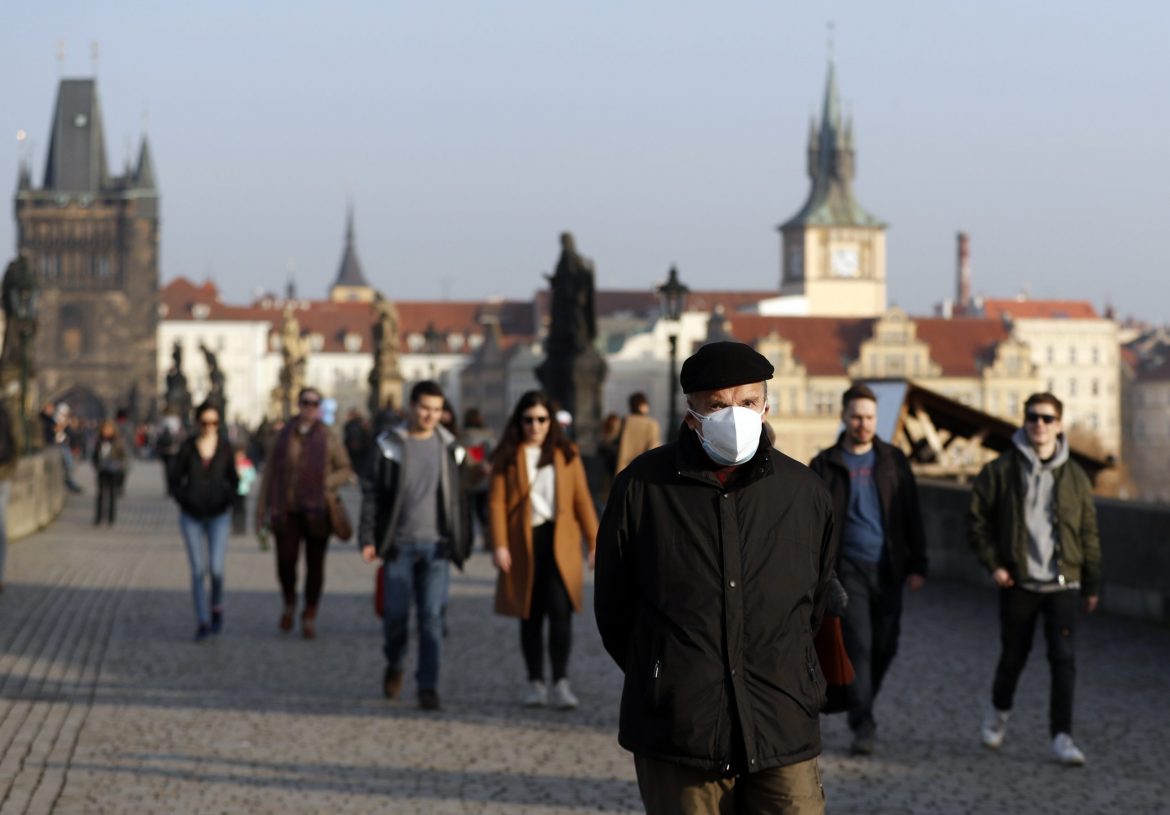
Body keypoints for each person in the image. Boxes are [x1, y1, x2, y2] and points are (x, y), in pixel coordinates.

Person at [595, 341, 836, 814]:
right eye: (718, 406)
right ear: (692, 415)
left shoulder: (803, 492)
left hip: (780, 717)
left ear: (766, 406)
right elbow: (614, 608)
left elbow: (817, 600)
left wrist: (796, 675)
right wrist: (663, 673)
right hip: (682, 725)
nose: (735, 416)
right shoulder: (642, 488)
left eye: (747, 403)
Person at [968, 392, 1101, 766]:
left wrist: (1091, 583)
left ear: (1058, 425)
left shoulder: (1075, 477)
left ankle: (1062, 736)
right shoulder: (1002, 470)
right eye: (1032, 417)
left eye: (1046, 418)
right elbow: (976, 520)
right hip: (1019, 583)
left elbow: (1089, 532)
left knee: (1064, 661)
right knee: (1013, 657)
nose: (1039, 424)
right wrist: (994, 564)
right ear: (1024, 422)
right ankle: (998, 713)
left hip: (1063, 584)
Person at [808, 383, 927, 756]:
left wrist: (918, 563)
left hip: (889, 565)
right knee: (859, 644)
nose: (863, 424)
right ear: (844, 417)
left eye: (870, 418)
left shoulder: (893, 460)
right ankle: (863, 723)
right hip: (847, 568)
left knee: (886, 645)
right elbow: (812, 522)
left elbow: (911, 513)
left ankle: (862, 703)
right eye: (857, 417)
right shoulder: (824, 464)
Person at [359, 381, 472, 710]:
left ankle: (427, 685)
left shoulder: (451, 447)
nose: (430, 415)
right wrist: (369, 537)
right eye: (424, 408)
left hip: (437, 546)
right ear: (411, 406)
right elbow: (372, 494)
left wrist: (461, 540)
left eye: (436, 410)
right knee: (395, 617)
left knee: (431, 618)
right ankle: (394, 663)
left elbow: (459, 501)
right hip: (399, 544)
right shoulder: (390, 445)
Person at [489, 391, 599, 710]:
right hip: (524, 542)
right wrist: (499, 544)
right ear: (519, 422)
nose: (535, 426)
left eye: (541, 419)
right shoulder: (508, 456)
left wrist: (594, 542)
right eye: (528, 420)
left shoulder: (567, 454)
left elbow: (581, 500)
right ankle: (535, 681)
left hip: (560, 541)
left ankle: (561, 682)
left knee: (561, 613)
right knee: (530, 613)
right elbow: (496, 502)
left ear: (550, 422)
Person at [256, 387, 352, 639]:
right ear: (298, 405)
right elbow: (269, 474)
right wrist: (261, 509)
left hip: (318, 510)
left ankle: (309, 613)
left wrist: (325, 483)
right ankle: (289, 602)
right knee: (286, 561)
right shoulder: (283, 435)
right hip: (286, 508)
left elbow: (345, 469)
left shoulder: (328, 437)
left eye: (314, 403)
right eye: (305, 402)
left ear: (319, 407)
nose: (309, 407)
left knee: (315, 565)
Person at [168, 402, 239, 641]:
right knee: (198, 570)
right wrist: (185, 500)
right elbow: (174, 480)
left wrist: (228, 500)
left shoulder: (225, 448)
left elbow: (235, 480)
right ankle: (202, 620)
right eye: (205, 422)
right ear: (198, 423)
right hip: (191, 517)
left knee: (216, 569)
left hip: (218, 515)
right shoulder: (188, 448)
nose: (210, 427)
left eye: (214, 423)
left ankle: (216, 605)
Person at [614, 391, 662, 474]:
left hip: (622, 469)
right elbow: (654, 448)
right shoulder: (651, 424)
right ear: (642, 406)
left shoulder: (624, 421)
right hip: (642, 470)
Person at [0, 399, 20, 593]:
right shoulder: (7, 408)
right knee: (0, 526)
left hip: (3, 473)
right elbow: (18, 440)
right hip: (3, 472)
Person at [92, 420, 127, 525]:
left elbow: (123, 456)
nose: (106, 431)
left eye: (109, 429)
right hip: (102, 470)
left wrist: (119, 465)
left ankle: (111, 518)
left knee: (112, 495)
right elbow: (94, 455)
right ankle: (98, 518)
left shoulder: (118, 441)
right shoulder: (99, 441)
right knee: (101, 494)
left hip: (113, 470)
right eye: (105, 429)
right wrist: (97, 465)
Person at [232, 444, 257, 535]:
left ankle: (242, 527)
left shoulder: (247, 463)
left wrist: (244, 477)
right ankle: (235, 526)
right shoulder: (232, 463)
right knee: (235, 508)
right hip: (234, 490)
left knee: (242, 508)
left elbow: (252, 476)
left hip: (243, 489)